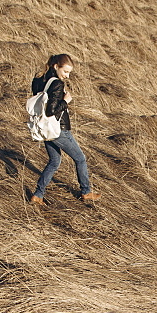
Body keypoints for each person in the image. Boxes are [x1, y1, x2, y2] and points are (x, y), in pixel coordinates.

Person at [29, 54, 100, 204]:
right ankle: (86, 192)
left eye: (69, 73)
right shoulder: (56, 84)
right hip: (58, 129)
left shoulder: (38, 80)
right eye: (65, 71)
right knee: (80, 159)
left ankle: (38, 195)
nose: (67, 76)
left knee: (54, 161)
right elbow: (51, 110)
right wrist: (65, 101)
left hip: (45, 128)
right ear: (56, 66)